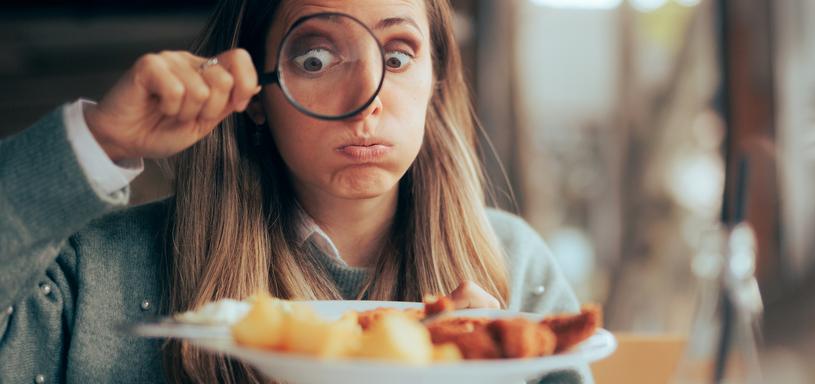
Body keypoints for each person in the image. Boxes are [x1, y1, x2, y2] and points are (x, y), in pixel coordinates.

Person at [0, 0, 588, 382]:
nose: (369, 96)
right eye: (314, 57)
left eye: (398, 56)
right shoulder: (96, 270)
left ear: (436, 83)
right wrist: (96, 143)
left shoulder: (518, 266)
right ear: (256, 96)